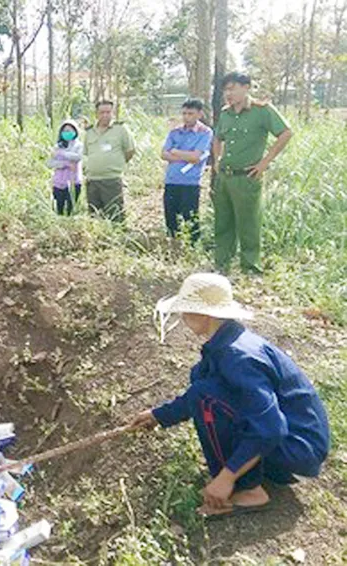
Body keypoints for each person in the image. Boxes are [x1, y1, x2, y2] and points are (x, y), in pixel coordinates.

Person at [130, 273, 329, 519]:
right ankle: (248, 470)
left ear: (205, 315)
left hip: (298, 447)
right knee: (202, 386)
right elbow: (202, 388)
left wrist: (227, 477)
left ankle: (250, 490)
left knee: (207, 399)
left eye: (186, 311)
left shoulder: (239, 357)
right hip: (289, 440)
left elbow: (271, 427)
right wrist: (159, 416)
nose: (181, 317)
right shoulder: (226, 343)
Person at [212, 72, 293, 274]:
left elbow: (286, 132)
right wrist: (217, 159)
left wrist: (265, 162)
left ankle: (250, 266)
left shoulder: (262, 111)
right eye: (225, 90)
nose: (228, 94)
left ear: (246, 87)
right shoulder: (225, 113)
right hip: (225, 176)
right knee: (223, 221)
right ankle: (222, 263)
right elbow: (217, 137)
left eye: (232, 88)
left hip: (247, 177)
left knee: (248, 223)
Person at [161, 99, 213, 241]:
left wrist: (175, 151)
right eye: (184, 113)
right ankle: (173, 247)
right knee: (171, 218)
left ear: (200, 114)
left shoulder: (205, 133)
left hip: (190, 183)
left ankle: (192, 248)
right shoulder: (175, 132)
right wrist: (186, 155)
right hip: (171, 180)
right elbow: (164, 154)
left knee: (190, 219)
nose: (186, 117)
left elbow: (196, 157)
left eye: (190, 113)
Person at [83, 100, 135, 222]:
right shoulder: (89, 132)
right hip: (92, 181)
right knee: (95, 216)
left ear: (113, 113)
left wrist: (115, 164)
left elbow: (130, 151)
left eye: (108, 112)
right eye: (102, 112)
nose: (105, 115)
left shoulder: (121, 130)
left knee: (115, 215)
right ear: (96, 114)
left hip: (111, 180)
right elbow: (86, 154)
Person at [47, 119, 83, 215]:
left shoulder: (79, 146)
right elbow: (50, 163)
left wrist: (62, 154)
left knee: (70, 210)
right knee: (59, 209)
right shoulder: (58, 146)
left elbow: (78, 157)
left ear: (75, 132)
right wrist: (64, 164)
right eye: (65, 131)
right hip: (58, 183)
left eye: (70, 130)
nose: (67, 133)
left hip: (74, 182)